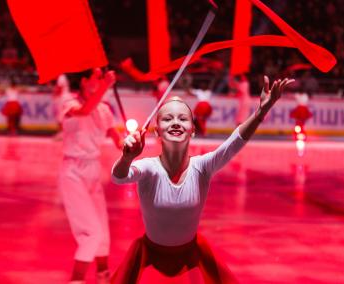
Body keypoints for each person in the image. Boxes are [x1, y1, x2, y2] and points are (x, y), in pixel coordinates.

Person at [111, 76, 295, 283]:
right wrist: (127, 157)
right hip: (150, 257)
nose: (175, 123)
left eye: (182, 119)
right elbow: (119, 177)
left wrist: (261, 112)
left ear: (193, 130)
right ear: (157, 132)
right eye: (168, 118)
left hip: (192, 257)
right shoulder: (149, 168)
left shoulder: (203, 166)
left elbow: (234, 142)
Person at [58, 68, 122, 284]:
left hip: (93, 170)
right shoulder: (69, 103)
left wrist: (133, 142)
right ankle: (76, 280)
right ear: (84, 81)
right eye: (97, 76)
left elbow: (118, 140)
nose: (101, 79)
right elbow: (84, 110)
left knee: (102, 229)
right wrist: (105, 85)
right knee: (91, 232)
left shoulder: (104, 110)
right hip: (73, 171)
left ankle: (103, 276)